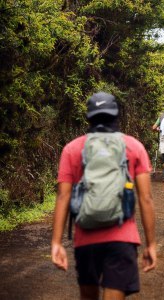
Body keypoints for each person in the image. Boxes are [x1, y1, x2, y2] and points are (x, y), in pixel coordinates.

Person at [51, 92, 156, 300]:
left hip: (85, 238)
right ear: (116, 114)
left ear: (89, 116)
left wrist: (56, 243)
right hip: (122, 237)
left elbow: (63, 197)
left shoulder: (72, 149)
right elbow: (145, 198)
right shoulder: (133, 146)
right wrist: (151, 244)